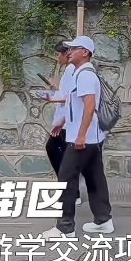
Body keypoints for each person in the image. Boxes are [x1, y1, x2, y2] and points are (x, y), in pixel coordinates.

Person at [40, 36, 114, 237]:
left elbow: (89, 107)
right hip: (90, 138)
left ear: (85, 52)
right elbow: (76, 104)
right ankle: (103, 220)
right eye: (69, 48)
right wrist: (62, 121)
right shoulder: (80, 74)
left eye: (74, 48)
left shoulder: (86, 76)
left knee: (66, 179)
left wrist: (80, 136)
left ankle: (65, 228)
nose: (69, 51)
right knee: (95, 178)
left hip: (82, 139)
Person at [40, 41, 82, 207]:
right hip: (64, 121)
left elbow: (71, 98)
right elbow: (66, 93)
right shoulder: (69, 71)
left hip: (66, 122)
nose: (58, 58)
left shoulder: (72, 70)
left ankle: (71, 192)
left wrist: (50, 98)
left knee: (56, 151)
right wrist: (55, 86)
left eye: (58, 54)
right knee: (61, 154)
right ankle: (69, 190)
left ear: (66, 53)